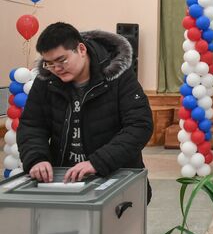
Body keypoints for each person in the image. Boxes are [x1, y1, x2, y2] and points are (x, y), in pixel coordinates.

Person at [17, 22, 153, 203]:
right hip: (64, 180)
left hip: (115, 177)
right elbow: (32, 125)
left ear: (81, 49)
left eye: (61, 60)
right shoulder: (46, 80)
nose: (56, 69)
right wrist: (36, 159)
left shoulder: (118, 76)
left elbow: (139, 126)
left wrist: (98, 162)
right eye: (49, 64)